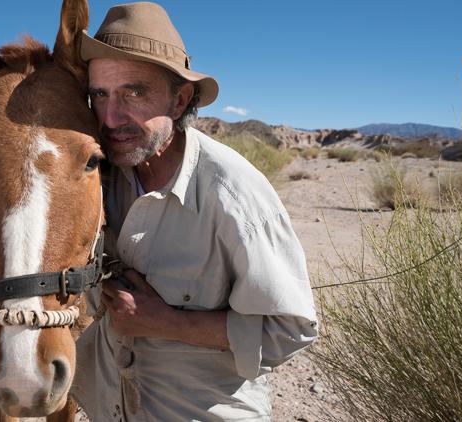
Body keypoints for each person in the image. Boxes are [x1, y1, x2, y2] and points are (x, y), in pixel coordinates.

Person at [71, 2, 318, 421]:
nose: (111, 116)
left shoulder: (233, 193)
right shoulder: (99, 178)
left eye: (134, 91)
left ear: (180, 99)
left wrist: (165, 321)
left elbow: (290, 331)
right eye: (100, 94)